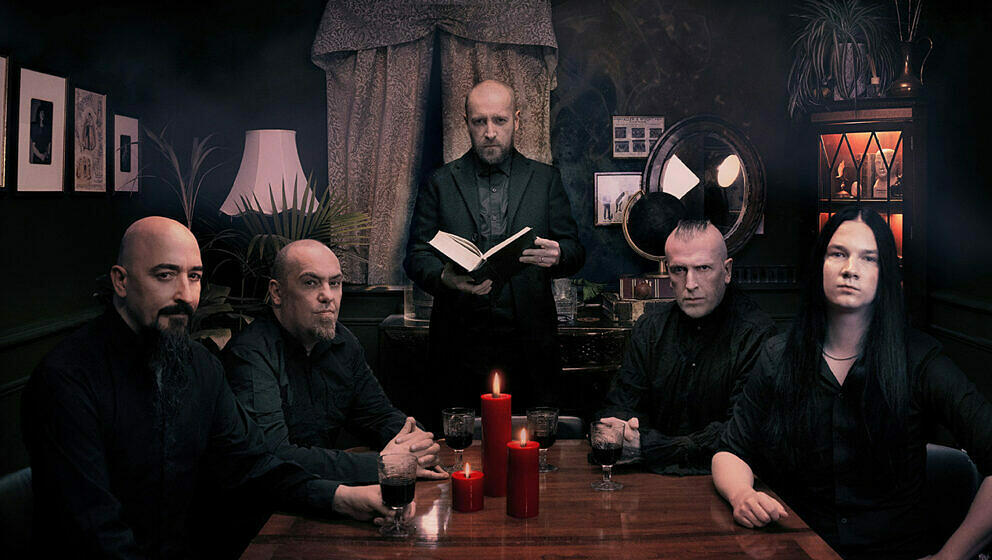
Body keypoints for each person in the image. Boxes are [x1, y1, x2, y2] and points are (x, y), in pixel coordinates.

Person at [22, 217, 394, 559]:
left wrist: (342, 498)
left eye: (195, 276)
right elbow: (92, 531)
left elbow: (254, 465)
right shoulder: (67, 378)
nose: (185, 294)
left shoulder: (200, 366)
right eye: (165, 275)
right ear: (121, 281)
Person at [713, 207, 992, 559]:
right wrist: (742, 495)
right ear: (820, 264)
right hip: (799, 549)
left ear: (884, 272)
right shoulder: (777, 356)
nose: (850, 269)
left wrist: (949, 557)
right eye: (838, 254)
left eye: (868, 258)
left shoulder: (921, 361)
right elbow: (730, 451)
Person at [404, 79, 584, 423]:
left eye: (499, 120)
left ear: (517, 119)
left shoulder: (545, 179)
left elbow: (575, 250)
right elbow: (415, 256)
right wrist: (445, 277)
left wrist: (559, 255)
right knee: (457, 444)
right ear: (466, 123)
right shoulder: (439, 182)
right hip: (458, 345)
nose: (490, 132)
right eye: (479, 121)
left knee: (533, 444)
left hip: (530, 346)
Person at [223, 239, 447, 483]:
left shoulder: (343, 341)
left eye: (335, 283)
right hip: (271, 498)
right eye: (310, 283)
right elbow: (275, 455)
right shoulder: (250, 354)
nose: (328, 296)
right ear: (277, 293)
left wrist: (416, 443)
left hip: (326, 489)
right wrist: (386, 464)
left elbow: (378, 416)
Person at [597, 220, 775, 475]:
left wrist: (648, 447)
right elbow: (617, 410)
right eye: (679, 270)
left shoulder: (756, 335)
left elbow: (739, 436)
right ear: (669, 274)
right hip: (648, 482)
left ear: (727, 271)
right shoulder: (650, 328)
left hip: (726, 482)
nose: (690, 283)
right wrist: (624, 431)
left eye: (703, 268)